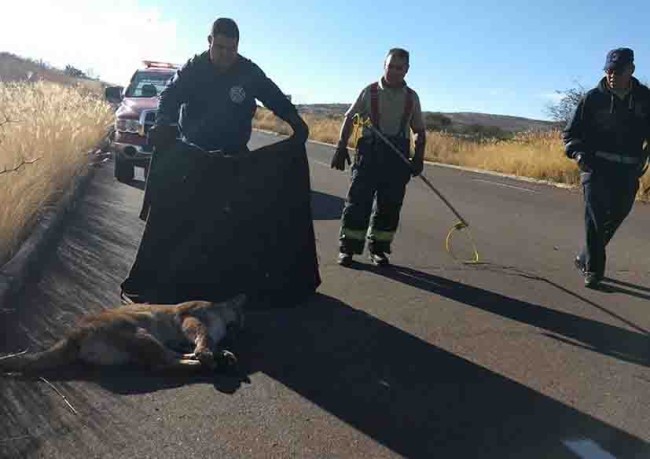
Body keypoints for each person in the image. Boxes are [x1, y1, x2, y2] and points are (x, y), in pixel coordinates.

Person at [148, 17, 308, 154]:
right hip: (194, 154)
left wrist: (296, 121)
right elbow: (170, 96)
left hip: (235, 155)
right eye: (220, 47)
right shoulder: (193, 69)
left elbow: (273, 96)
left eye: (232, 49)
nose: (225, 54)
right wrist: (162, 121)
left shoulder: (249, 72)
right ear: (210, 41)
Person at [331, 48, 426, 267]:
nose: (393, 71)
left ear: (407, 70)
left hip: (397, 158)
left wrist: (418, 157)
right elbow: (349, 119)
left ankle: (379, 250)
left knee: (389, 206)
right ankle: (348, 249)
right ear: (384, 65)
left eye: (399, 68)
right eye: (390, 66)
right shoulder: (370, 92)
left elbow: (419, 130)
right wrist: (341, 146)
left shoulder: (412, 98)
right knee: (357, 203)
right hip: (369, 155)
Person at [564, 47, 650, 288]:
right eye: (608, 70)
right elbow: (571, 134)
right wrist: (578, 154)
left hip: (629, 169)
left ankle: (585, 256)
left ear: (631, 70)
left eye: (618, 70)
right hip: (596, 167)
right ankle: (594, 271)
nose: (612, 75)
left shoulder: (645, 98)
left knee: (618, 213)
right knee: (595, 218)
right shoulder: (592, 98)